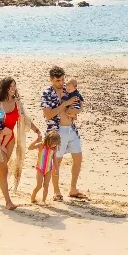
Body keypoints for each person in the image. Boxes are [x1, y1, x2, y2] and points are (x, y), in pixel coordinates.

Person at [0, 76, 41, 210]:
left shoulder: (17, 103)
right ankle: (8, 202)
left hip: (10, 139)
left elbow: (25, 119)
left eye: (15, 86)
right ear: (5, 87)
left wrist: (36, 130)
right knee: (4, 169)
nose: (13, 89)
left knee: (1, 169)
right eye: (11, 86)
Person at [41, 65, 86, 200]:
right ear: (51, 80)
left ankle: (73, 188)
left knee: (78, 159)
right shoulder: (47, 93)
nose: (60, 83)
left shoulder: (68, 89)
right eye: (57, 81)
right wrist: (64, 105)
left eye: (62, 80)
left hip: (71, 129)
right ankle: (56, 191)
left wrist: (77, 111)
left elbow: (80, 102)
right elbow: (48, 115)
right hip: (57, 131)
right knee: (57, 162)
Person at [28, 130, 61, 204]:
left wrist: (57, 169)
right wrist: (36, 140)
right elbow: (30, 148)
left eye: (55, 144)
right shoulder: (41, 145)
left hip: (48, 169)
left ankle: (43, 200)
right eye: (52, 143)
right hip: (40, 169)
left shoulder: (54, 149)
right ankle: (33, 197)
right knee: (39, 185)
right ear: (47, 140)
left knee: (46, 185)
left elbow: (54, 160)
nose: (53, 145)